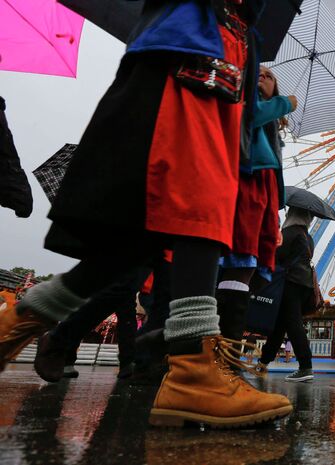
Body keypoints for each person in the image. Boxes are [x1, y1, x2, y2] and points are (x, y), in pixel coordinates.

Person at [0, 1, 293, 427]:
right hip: (198, 50)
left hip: (224, 56)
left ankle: (20, 322)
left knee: (143, 234)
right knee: (198, 201)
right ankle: (192, 370)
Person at [216, 66, 297, 342]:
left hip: (266, 189)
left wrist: (275, 217)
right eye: (259, 73)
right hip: (246, 179)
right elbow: (251, 116)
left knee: (260, 268)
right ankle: (226, 346)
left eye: (270, 76)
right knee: (241, 259)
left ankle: (225, 329)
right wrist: (285, 103)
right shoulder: (244, 104)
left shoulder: (270, 127)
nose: (263, 76)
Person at [256, 207, 316, 382]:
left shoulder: (289, 232)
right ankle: (263, 363)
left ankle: (305, 366)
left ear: (292, 215)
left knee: (292, 323)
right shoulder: (308, 237)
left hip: (290, 282)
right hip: (305, 283)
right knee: (279, 326)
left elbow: (276, 255)